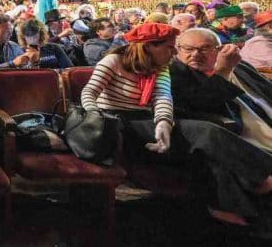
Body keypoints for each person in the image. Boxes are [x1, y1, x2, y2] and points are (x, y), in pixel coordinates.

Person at [81, 22, 272, 227]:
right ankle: (264, 175)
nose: (174, 53)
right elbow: (89, 92)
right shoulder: (114, 60)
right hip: (115, 120)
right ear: (149, 46)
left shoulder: (162, 67)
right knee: (205, 132)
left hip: (148, 118)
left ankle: (239, 214)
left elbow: (163, 98)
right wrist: (95, 114)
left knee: (205, 145)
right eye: (171, 47)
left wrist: (164, 122)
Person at [170, 28, 272, 151]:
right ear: (178, 50)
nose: (196, 54)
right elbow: (204, 104)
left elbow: (266, 88)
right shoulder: (175, 75)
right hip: (245, 140)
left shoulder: (239, 66)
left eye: (204, 48)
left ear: (219, 49)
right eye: (188, 49)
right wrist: (223, 72)